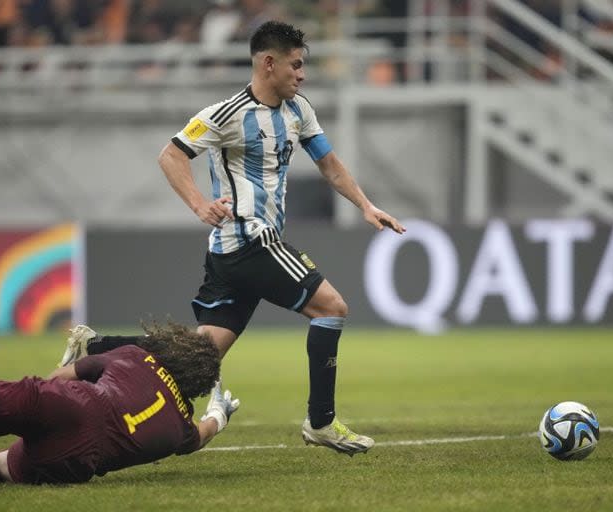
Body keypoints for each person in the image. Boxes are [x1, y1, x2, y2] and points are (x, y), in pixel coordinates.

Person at [61, 20, 406, 457]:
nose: (302, 74)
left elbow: (330, 164)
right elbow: (171, 155)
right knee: (332, 309)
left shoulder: (299, 110)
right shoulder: (226, 115)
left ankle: (93, 346)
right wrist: (198, 204)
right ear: (268, 63)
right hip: (248, 241)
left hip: (234, 253)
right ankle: (321, 421)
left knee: (199, 354)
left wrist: (365, 205)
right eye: (296, 65)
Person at [0, 323, 240, 486]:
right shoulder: (182, 427)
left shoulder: (136, 356)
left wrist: (36, 392)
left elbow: (58, 380)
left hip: (69, 404)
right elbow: (204, 433)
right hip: (77, 459)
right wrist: (218, 416)